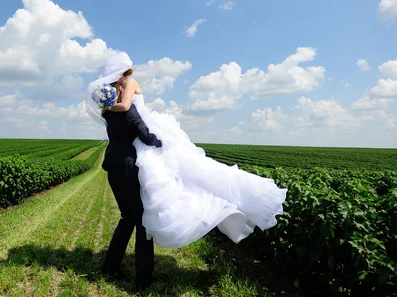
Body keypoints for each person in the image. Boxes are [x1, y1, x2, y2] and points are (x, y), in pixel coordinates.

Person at [86, 52, 288, 249]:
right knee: (143, 212)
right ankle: (143, 273)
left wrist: (107, 108)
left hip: (124, 149)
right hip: (135, 144)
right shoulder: (122, 109)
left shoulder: (123, 94)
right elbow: (132, 116)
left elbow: (126, 106)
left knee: (176, 174)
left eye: (116, 79)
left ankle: (117, 265)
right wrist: (155, 142)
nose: (116, 83)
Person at [92, 82, 162, 290]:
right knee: (142, 221)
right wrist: (162, 143)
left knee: (127, 218)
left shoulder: (108, 114)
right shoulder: (128, 110)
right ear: (119, 92)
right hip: (128, 169)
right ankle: (144, 277)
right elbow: (145, 134)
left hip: (113, 167)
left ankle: (110, 267)